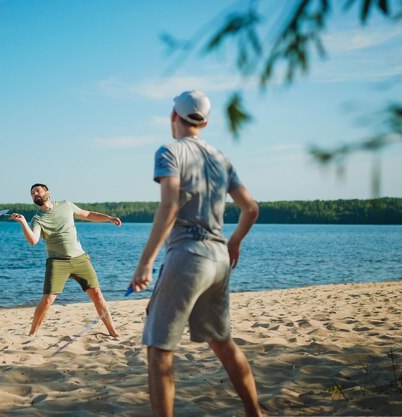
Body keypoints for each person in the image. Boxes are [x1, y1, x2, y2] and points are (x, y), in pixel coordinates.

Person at [130, 91, 263, 417]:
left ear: (174, 117)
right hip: (219, 259)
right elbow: (251, 209)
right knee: (223, 343)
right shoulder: (221, 158)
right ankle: (255, 413)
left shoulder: (170, 152)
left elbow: (170, 205)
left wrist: (146, 261)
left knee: (159, 348)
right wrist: (234, 242)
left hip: (189, 256)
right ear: (204, 122)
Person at [11, 183, 121, 338]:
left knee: (97, 294)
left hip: (80, 259)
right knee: (48, 299)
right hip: (57, 262)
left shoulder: (66, 205)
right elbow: (33, 240)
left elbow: (88, 214)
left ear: (47, 192)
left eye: (38, 191)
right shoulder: (37, 218)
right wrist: (23, 222)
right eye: (32, 193)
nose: (35, 194)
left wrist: (108, 218)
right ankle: (32, 333)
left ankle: (112, 331)